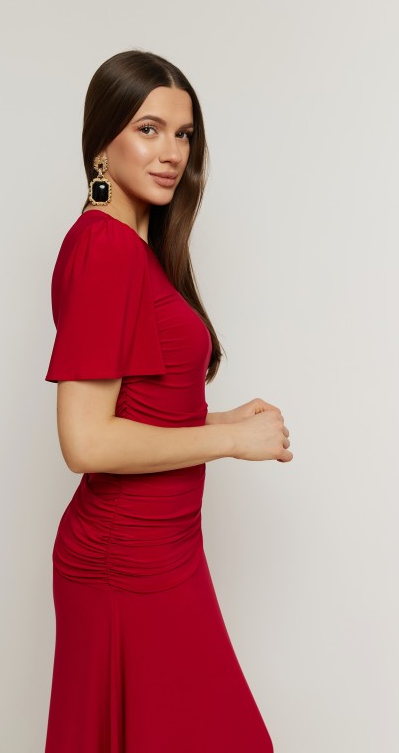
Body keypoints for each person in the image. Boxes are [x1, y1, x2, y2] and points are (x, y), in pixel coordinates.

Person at [44, 49, 292, 753]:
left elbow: (135, 412)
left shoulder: (130, 249)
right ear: (103, 141)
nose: (172, 152)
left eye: (183, 134)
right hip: (128, 560)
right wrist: (229, 441)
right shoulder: (106, 249)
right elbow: (86, 441)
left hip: (166, 547)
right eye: (148, 129)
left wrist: (217, 418)